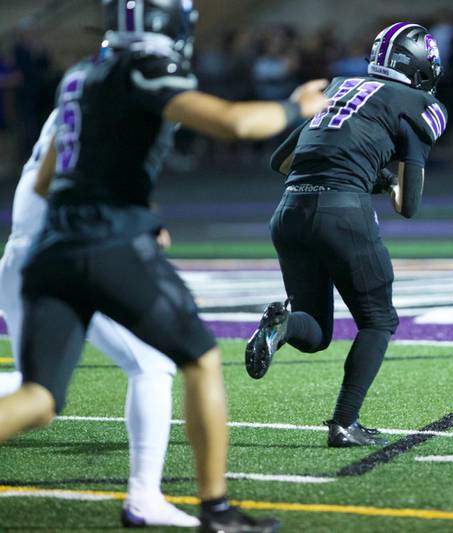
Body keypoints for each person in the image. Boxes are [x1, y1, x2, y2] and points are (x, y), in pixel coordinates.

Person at [0, 1, 328, 531]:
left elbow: (45, 180)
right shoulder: (145, 69)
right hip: (104, 245)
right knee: (195, 357)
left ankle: (156, 499)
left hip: (48, 250)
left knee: (38, 397)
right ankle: (215, 508)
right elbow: (237, 122)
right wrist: (298, 107)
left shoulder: (80, 78)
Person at [244, 22, 447, 448]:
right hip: (340, 211)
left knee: (314, 332)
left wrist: (364, 169)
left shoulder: (341, 88)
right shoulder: (417, 103)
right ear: (421, 68)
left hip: (289, 210)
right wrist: (382, 177)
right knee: (378, 319)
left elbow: (281, 161)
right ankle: (343, 423)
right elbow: (406, 206)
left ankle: (280, 329)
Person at [0, 111, 197, 528]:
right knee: (151, 363)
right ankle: (144, 497)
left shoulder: (77, 94)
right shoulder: (113, 99)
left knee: (35, 387)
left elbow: (50, 180)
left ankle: (145, 497)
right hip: (63, 255)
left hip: (23, 255)